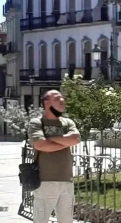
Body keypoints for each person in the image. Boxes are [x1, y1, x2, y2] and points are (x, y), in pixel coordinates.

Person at [27, 90, 81, 223]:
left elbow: (76, 138)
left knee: (66, 221)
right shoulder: (37, 123)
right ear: (46, 103)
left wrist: (50, 139)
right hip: (45, 182)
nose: (62, 100)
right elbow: (40, 144)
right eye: (57, 98)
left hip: (67, 181)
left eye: (62, 97)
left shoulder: (68, 122)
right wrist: (64, 142)